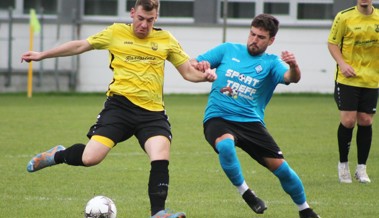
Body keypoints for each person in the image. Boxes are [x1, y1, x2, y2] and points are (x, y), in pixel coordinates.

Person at [21, 0, 216, 217]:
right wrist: (42, 55)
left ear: (156, 18)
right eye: (140, 19)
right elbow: (80, 45)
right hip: (119, 108)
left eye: (150, 21)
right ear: (132, 13)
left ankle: (158, 212)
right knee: (90, 158)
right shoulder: (115, 32)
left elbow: (189, 72)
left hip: (152, 113)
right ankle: (58, 155)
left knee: (161, 153)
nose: (144, 25)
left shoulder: (166, 40)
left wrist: (206, 77)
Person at [191, 14, 320, 218]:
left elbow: (291, 78)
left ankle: (305, 210)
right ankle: (247, 193)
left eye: (261, 37)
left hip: (251, 123)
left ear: (271, 40)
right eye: (252, 34)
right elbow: (193, 63)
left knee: (283, 170)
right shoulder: (227, 50)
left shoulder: (271, 63)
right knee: (225, 145)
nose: (254, 39)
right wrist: (201, 67)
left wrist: (294, 66)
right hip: (218, 117)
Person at [327, 0, 378, 184]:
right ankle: (343, 165)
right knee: (348, 121)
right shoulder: (344, 17)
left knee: (365, 121)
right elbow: (332, 43)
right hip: (347, 79)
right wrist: (342, 63)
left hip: (371, 79)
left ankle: (361, 169)